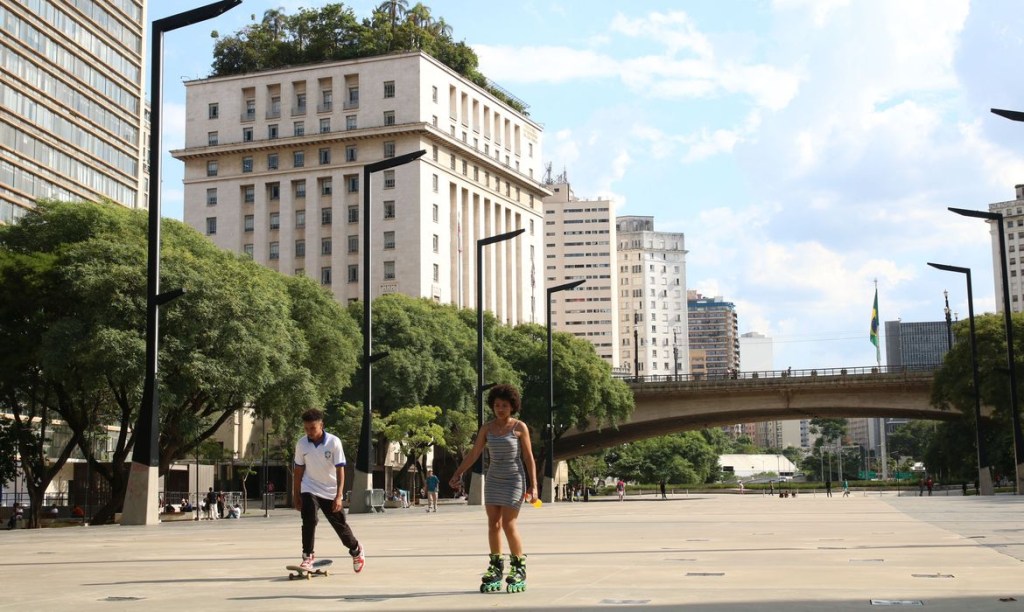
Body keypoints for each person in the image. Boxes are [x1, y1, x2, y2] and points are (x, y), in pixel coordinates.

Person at [449, 384, 537, 592]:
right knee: (493, 524)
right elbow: (474, 453)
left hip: (514, 479)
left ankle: (518, 567)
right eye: (497, 405)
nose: (500, 409)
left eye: (504, 405)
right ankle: (496, 566)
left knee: (508, 523)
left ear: (512, 406)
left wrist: (534, 486)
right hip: (494, 479)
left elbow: (528, 457)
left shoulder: (519, 427)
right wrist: (458, 472)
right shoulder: (487, 429)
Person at [293, 408, 365, 574]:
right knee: (309, 519)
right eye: (306, 429)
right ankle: (307, 556)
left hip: (330, 490)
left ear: (321, 425)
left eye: (312, 428)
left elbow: (341, 470)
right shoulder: (301, 444)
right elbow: (298, 471)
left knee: (340, 527)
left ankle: (356, 550)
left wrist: (339, 495)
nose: (309, 432)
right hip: (309, 487)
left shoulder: (334, 442)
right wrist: (296, 495)